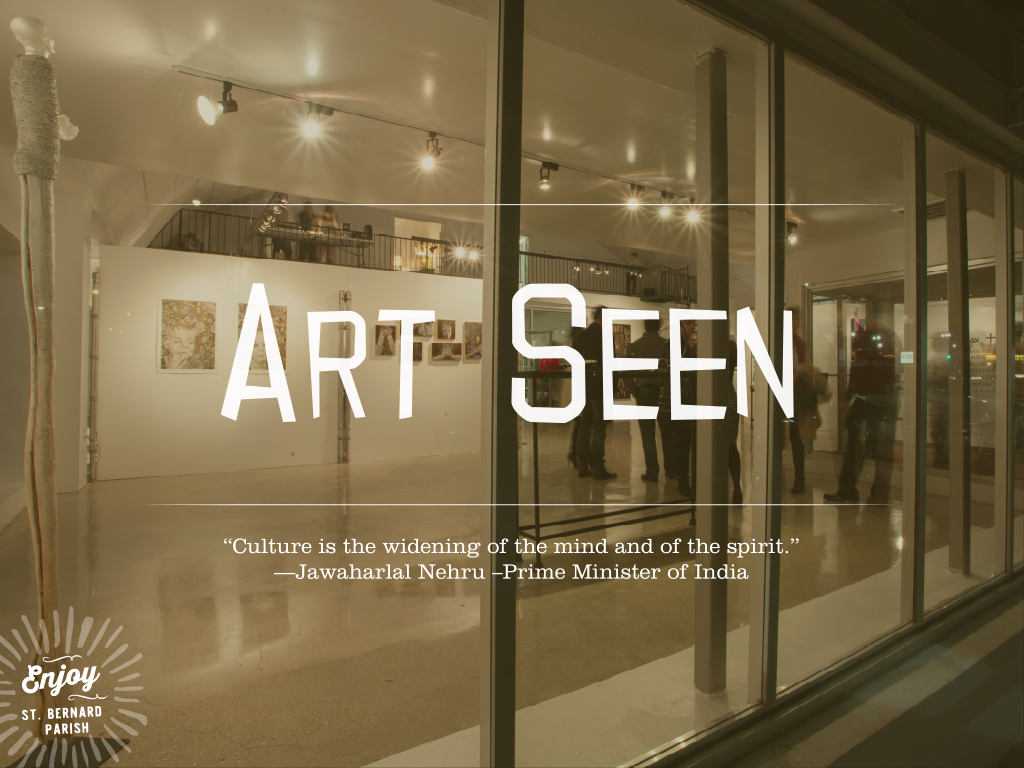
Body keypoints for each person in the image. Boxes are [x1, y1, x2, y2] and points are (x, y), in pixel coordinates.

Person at [824, 322, 897, 505]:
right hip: (884, 400)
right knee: (881, 451)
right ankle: (880, 495)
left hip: (867, 400)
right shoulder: (888, 340)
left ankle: (848, 490)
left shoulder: (863, 339)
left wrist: (847, 397)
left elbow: (857, 371)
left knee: (855, 448)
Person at [571, 306, 617, 480]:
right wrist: (613, 389)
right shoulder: (606, 337)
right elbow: (610, 364)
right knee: (599, 429)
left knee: (584, 426)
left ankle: (582, 466)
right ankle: (598, 467)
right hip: (600, 389)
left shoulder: (579, 337)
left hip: (583, 388)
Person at [628, 318, 674, 481]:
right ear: (659, 326)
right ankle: (671, 469)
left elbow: (628, 372)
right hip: (663, 392)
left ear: (645, 325)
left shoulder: (635, 345)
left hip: (643, 391)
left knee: (647, 434)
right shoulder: (665, 344)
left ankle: (652, 471)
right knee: (667, 433)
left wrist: (633, 390)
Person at [672, 317, 698, 498]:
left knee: (685, 443)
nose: (692, 327)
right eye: (688, 323)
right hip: (682, 401)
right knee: (682, 444)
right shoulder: (677, 345)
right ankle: (683, 481)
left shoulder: (690, 345)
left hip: (690, 400)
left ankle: (685, 479)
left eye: (693, 323)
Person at [789, 307, 809, 493]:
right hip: (781, 393)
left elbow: (804, 366)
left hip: (796, 395)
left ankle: (799, 478)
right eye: (791, 319)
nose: (794, 323)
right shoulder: (777, 341)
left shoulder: (800, 343)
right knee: (778, 435)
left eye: (796, 319)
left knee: (796, 437)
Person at [726, 340, 742, 504]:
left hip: (716, 396)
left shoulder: (712, 347)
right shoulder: (730, 346)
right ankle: (737, 489)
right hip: (730, 395)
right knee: (731, 445)